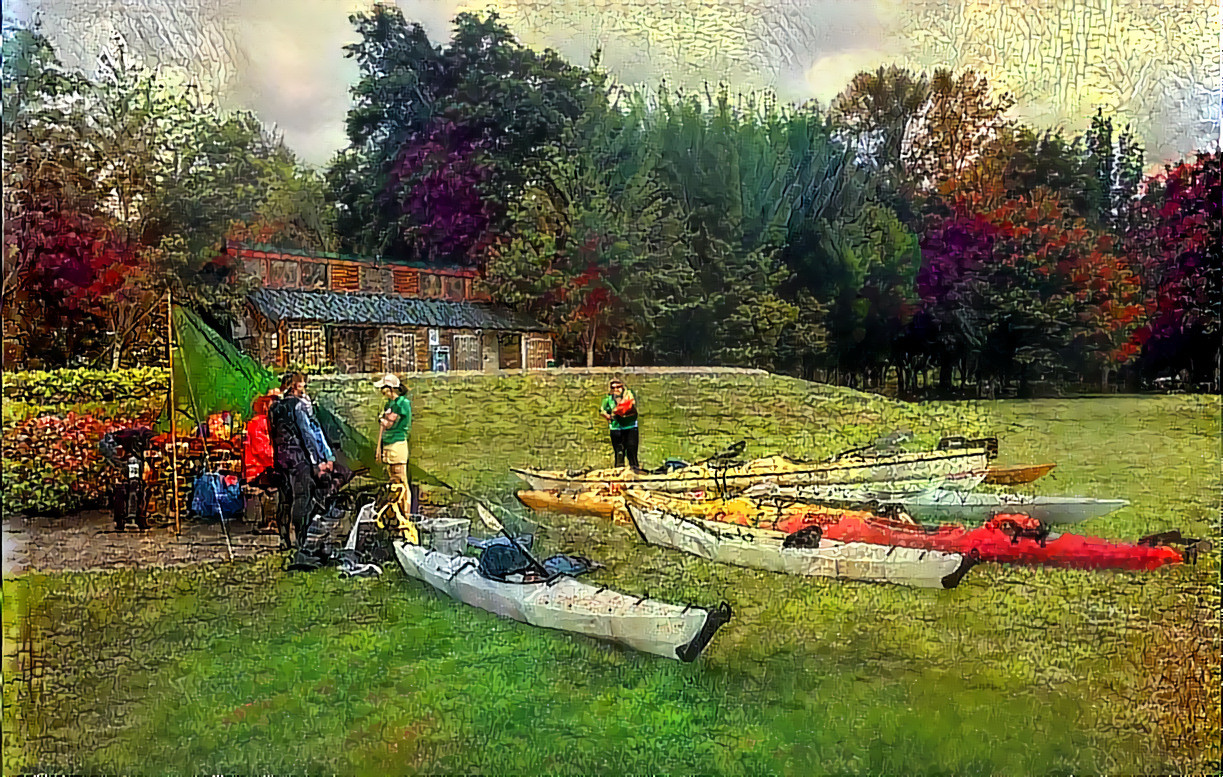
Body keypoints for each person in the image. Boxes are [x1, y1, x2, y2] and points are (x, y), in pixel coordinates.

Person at [268, 372, 336, 550]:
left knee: (284, 498)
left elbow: (272, 433)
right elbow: (307, 434)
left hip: (281, 457)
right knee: (302, 497)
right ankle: (300, 538)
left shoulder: (274, 408)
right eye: (302, 385)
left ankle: (283, 538)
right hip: (299, 456)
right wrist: (317, 460)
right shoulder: (299, 407)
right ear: (295, 386)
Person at [373, 373, 416, 520]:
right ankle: (397, 514)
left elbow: (389, 423)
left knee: (400, 479)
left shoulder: (401, 403)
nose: (382, 391)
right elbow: (383, 427)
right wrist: (379, 448)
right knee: (393, 480)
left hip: (398, 444)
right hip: (388, 444)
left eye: (384, 388)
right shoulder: (389, 404)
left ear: (391, 388)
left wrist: (383, 420)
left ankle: (406, 515)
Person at [242, 389, 281, 533]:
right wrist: (279, 461)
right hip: (258, 470)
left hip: (265, 467)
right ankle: (270, 520)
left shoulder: (268, 421)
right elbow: (262, 451)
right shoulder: (258, 423)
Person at [600, 378, 640, 471]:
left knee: (631, 451)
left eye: (618, 387)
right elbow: (602, 410)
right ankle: (619, 471)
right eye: (613, 388)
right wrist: (608, 416)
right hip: (616, 427)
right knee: (619, 452)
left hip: (630, 426)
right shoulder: (608, 399)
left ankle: (635, 472)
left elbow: (633, 405)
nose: (616, 390)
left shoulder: (629, 396)